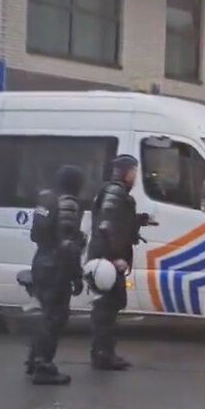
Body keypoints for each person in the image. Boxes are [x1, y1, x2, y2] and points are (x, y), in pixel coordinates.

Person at [86, 155, 150, 370]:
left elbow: (116, 221)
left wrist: (138, 220)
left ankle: (105, 352)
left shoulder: (116, 193)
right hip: (107, 262)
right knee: (106, 308)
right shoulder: (115, 193)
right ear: (126, 172)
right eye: (134, 171)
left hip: (107, 259)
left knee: (110, 306)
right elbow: (106, 227)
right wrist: (115, 257)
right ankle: (103, 354)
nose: (135, 176)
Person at [26, 165, 86, 385]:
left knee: (45, 314)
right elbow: (69, 245)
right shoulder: (68, 204)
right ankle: (43, 366)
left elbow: (35, 235)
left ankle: (33, 359)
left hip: (41, 261)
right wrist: (77, 275)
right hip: (57, 266)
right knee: (55, 317)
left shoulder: (46, 200)